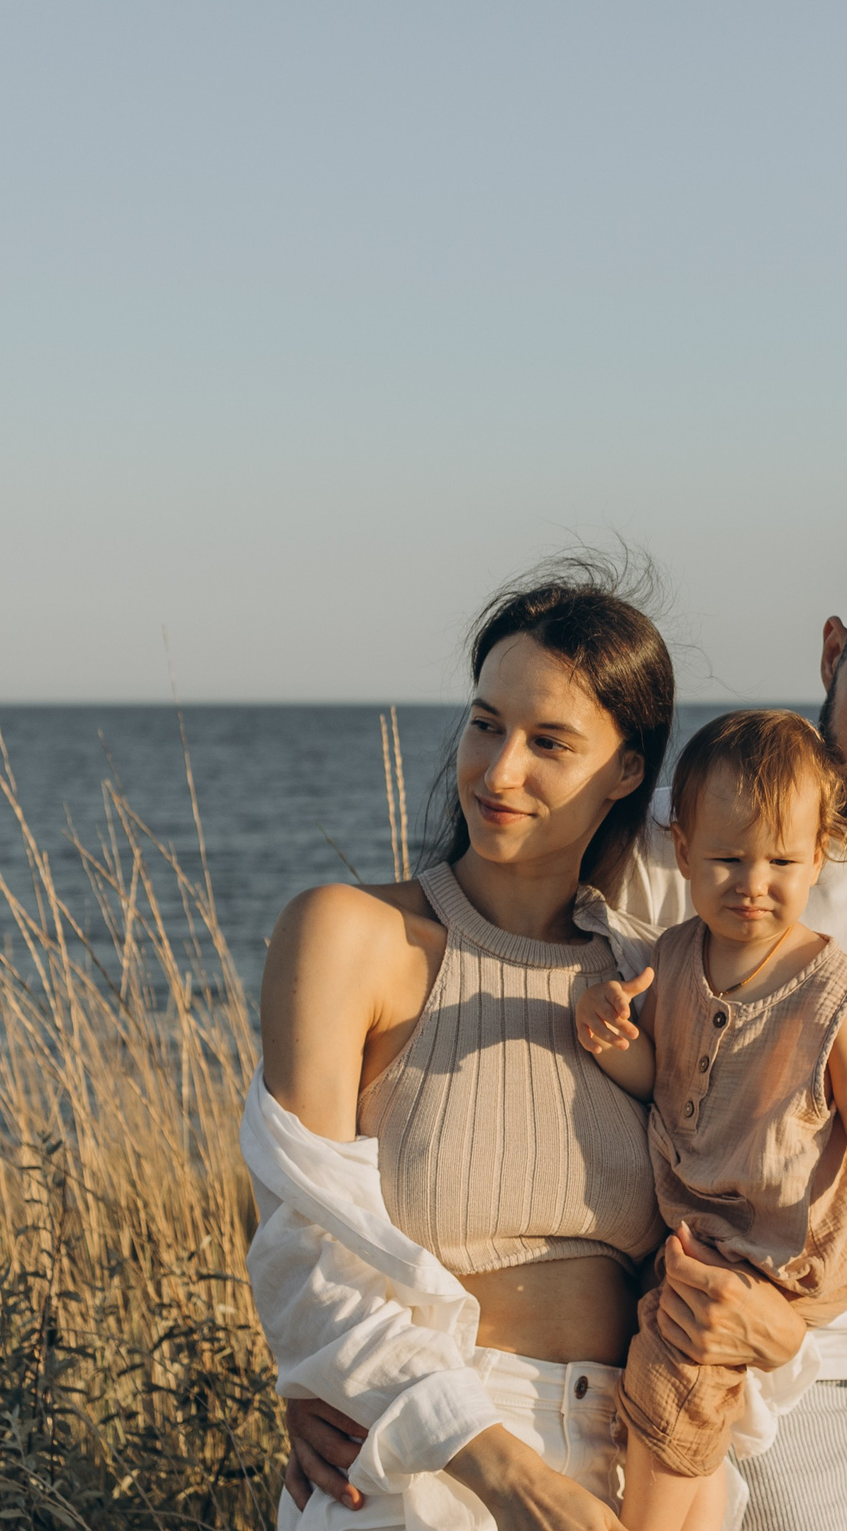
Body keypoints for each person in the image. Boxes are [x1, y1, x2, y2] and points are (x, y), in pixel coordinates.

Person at [291, 526, 847, 1531]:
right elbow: (458, 1033)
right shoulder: (661, 849)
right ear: (833, 652)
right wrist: (326, 1370)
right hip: (756, 1378)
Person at [249, 563, 679, 1530]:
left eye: (549, 743)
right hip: (422, 1459)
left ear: (625, 771)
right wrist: (511, 1480)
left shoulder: (653, 981)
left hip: (632, 1458)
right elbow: (301, 1249)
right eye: (486, 724)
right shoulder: (351, 935)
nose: (498, 771)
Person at [573, 709, 847, 1531]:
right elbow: (655, 1076)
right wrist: (606, 1035)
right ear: (682, 850)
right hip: (701, 1231)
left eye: (783, 860)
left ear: (820, 855)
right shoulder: (674, 957)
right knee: (685, 1374)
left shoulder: (827, 984)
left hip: (782, 1249)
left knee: (674, 1367)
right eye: (727, 859)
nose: (755, 883)